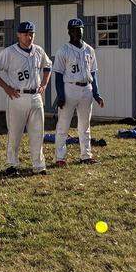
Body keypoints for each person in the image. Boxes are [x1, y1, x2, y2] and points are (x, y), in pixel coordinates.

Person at [0, 21, 52, 175]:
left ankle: (39, 165)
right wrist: (6, 87)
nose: (28, 37)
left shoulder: (38, 51)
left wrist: (44, 83)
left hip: (35, 96)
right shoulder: (10, 52)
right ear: (18, 34)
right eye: (25, 34)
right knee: (15, 133)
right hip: (17, 96)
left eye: (31, 34)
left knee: (37, 133)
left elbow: (48, 65)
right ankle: (12, 165)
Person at [52, 18, 104, 165]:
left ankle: (86, 155)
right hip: (70, 87)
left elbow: (93, 73)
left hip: (87, 88)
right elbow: (58, 75)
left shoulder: (89, 49)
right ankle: (60, 158)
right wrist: (61, 95)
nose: (77, 32)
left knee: (84, 125)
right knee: (63, 124)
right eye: (74, 29)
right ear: (69, 31)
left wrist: (97, 93)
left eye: (79, 29)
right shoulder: (63, 50)